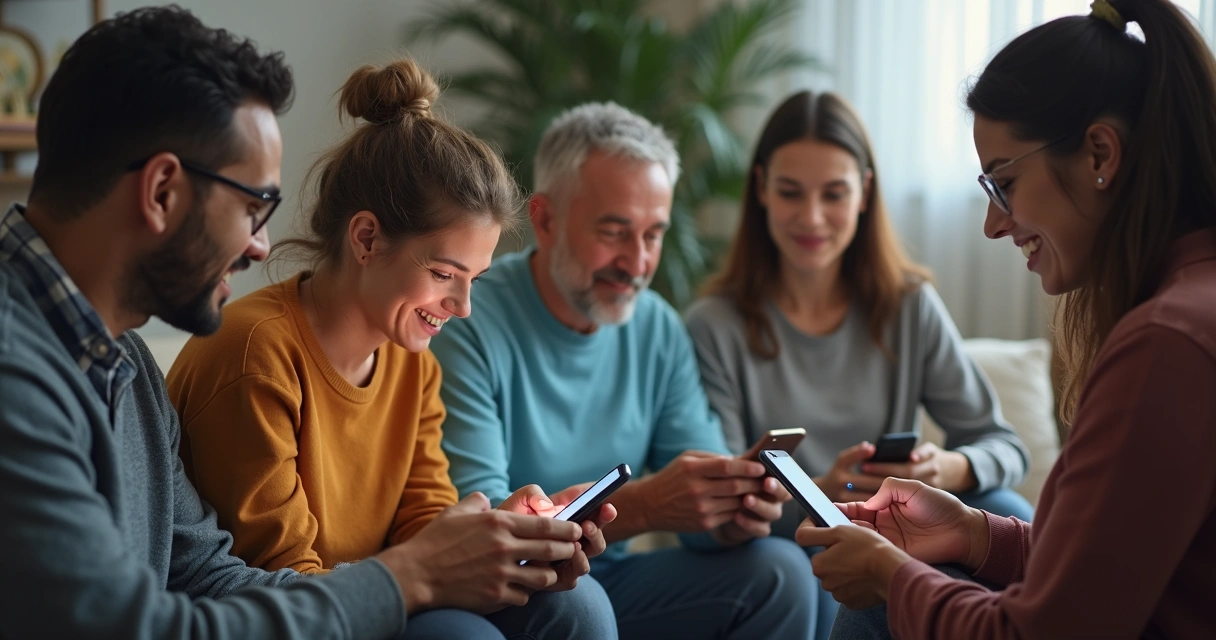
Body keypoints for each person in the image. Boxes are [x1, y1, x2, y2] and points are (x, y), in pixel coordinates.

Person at [0, 8, 585, 640]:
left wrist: (464, 554)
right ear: (162, 191)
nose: (261, 246)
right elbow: (128, 626)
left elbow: (209, 575)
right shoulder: (18, 371)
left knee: (568, 608)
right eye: (252, 206)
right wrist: (410, 577)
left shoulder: (128, 366)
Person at [798, 1, 1216, 637]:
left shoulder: (1166, 344)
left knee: (878, 606)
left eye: (1003, 184)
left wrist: (889, 575)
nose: (993, 224)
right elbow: (1106, 574)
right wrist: (970, 531)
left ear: (1100, 154)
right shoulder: (1192, 307)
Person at [165, 59, 617, 640]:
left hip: (381, 593)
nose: (462, 306)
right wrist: (439, 566)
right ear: (366, 238)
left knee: (579, 606)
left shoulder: (412, 359)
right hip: (295, 613)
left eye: (473, 280)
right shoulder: (257, 351)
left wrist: (498, 533)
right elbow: (283, 579)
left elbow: (422, 525)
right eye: (443, 273)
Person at [429, 101, 818, 639]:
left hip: (612, 577)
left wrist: (730, 513)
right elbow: (479, 521)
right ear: (545, 219)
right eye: (614, 232)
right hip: (513, 592)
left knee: (781, 573)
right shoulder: (468, 319)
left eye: (653, 234)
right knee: (581, 603)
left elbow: (698, 507)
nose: (637, 263)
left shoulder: (657, 327)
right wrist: (648, 505)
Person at [684, 89, 1034, 639]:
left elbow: (1003, 447)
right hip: (794, 544)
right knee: (813, 567)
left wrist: (945, 469)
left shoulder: (909, 305)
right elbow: (721, 511)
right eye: (791, 193)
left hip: (907, 524)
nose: (812, 217)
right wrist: (821, 491)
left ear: (865, 193)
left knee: (1005, 507)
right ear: (761, 192)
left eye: (834, 193)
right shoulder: (714, 326)